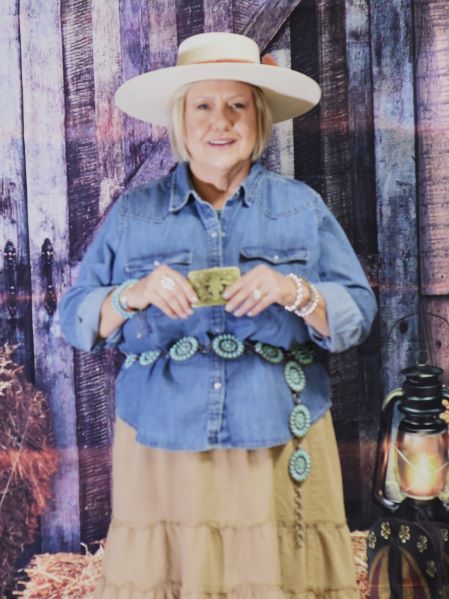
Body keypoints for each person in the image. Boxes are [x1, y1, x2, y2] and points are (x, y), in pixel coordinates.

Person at [59, 32, 377, 598]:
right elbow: (74, 320)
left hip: (276, 432)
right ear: (180, 122)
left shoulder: (301, 208)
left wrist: (294, 290)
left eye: (237, 105)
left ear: (259, 119)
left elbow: (357, 314)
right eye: (203, 105)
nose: (221, 121)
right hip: (163, 438)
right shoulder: (135, 214)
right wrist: (132, 293)